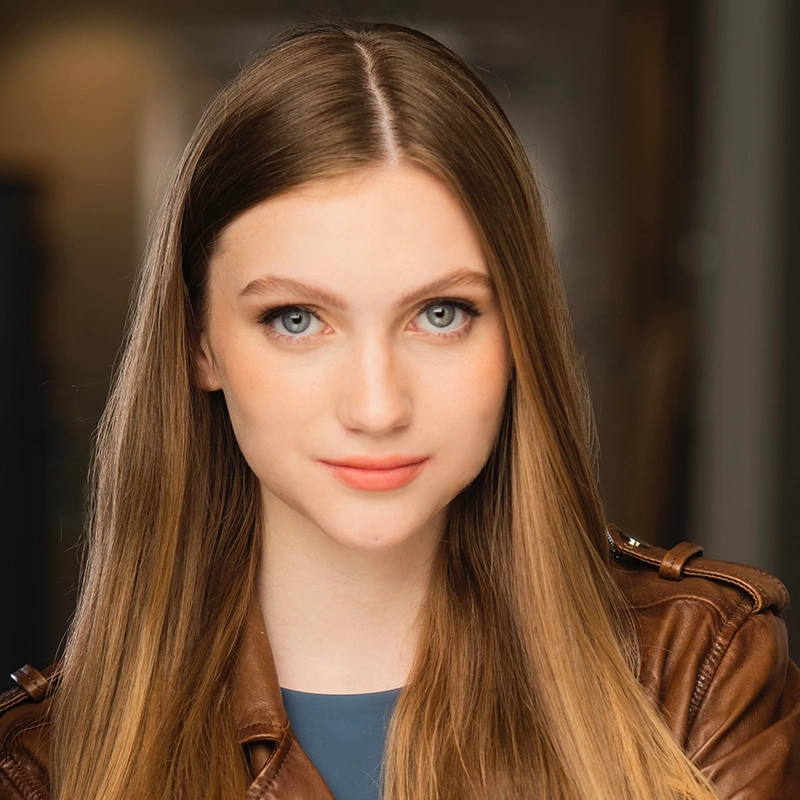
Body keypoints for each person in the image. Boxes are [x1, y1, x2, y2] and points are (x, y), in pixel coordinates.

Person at [0, 17, 797, 800]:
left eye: (441, 313)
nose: (377, 407)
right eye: (297, 320)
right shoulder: (37, 768)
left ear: (518, 331)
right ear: (199, 345)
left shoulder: (698, 672)